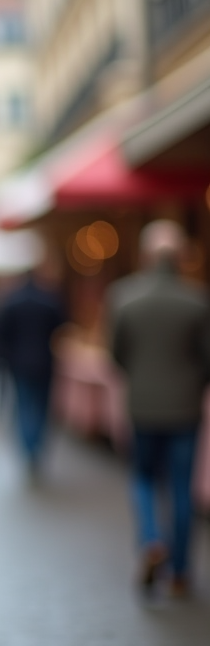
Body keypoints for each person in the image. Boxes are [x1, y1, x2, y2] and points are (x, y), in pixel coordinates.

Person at [108, 219, 210, 599]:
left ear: (148, 255)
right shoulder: (197, 300)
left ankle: (152, 539)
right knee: (182, 489)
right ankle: (181, 571)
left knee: (144, 479)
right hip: (185, 408)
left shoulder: (124, 297)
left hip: (143, 406)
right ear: (180, 256)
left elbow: (116, 354)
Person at [0, 266, 66, 475]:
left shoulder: (12, 301)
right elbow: (60, 324)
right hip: (44, 361)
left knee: (24, 405)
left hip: (19, 363)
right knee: (42, 408)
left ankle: (28, 448)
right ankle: (36, 446)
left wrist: (8, 356)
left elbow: (1, 332)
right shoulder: (48, 299)